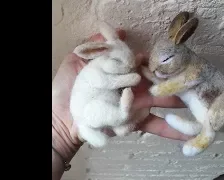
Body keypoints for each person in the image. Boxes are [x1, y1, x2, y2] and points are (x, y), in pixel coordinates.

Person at [52, 29, 190, 180]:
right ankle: (122, 114)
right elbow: (109, 82)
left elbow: (126, 67)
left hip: (100, 104)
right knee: (107, 113)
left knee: (120, 122)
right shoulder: (94, 72)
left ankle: (122, 119)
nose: (127, 65)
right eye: (119, 62)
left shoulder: (107, 65)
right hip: (88, 112)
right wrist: (131, 78)